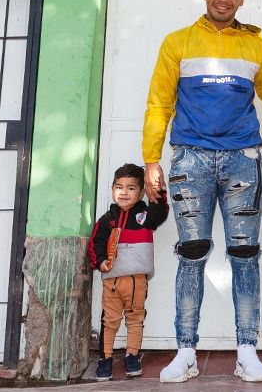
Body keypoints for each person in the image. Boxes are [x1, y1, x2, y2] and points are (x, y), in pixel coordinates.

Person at [142, 0, 262, 383]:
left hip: (242, 158)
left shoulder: (256, 47)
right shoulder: (177, 42)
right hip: (190, 159)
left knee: (245, 255)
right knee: (191, 254)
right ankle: (185, 351)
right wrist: (152, 158)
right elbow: (158, 104)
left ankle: (247, 351)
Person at [86, 163, 169, 381]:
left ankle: (132, 354)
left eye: (131, 188)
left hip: (137, 281)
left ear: (142, 192)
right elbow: (95, 242)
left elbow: (160, 213)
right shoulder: (107, 219)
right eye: (119, 187)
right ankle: (105, 358)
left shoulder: (144, 215)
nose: (124, 192)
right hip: (112, 281)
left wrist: (157, 187)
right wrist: (101, 261)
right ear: (112, 189)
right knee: (109, 320)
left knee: (135, 317)